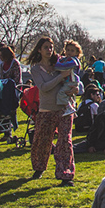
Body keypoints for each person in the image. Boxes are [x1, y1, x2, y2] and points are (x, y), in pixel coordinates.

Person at [27, 37, 78, 185]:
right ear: (39, 50)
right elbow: (43, 87)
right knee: (42, 140)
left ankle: (65, 174)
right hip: (46, 108)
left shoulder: (61, 63)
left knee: (65, 141)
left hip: (64, 108)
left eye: (51, 47)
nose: (49, 50)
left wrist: (76, 89)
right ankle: (39, 167)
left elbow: (76, 78)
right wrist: (60, 77)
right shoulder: (36, 69)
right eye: (46, 47)